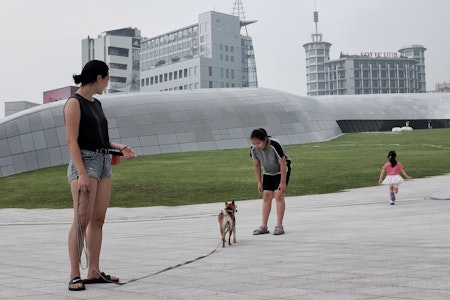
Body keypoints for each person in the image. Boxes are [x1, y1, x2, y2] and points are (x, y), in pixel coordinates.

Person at [64, 60, 136, 291]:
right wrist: (82, 173)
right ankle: (75, 274)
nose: (107, 83)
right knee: (81, 220)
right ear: (98, 78)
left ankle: (93, 271)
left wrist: (120, 147)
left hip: (104, 163)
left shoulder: (97, 103)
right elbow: (71, 141)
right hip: (84, 164)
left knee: (98, 220)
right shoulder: (74, 104)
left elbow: (101, 140)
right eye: (106, 78)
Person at [250, 128, 292, 235]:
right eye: (254, 143)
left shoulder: (274, 145)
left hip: (281, 170)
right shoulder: (253, 149)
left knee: (278, 195)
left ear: (265, 139)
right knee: (266, 196)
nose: (256, 146)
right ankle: (263, 226)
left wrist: (282, 183)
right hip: (268, 172)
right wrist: (259, 182)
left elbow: (283, 164)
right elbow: (256, 165)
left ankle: (279, 226)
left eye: (258, 143)